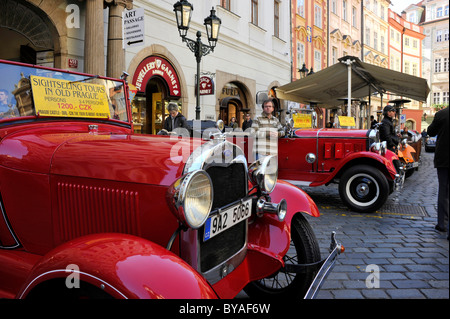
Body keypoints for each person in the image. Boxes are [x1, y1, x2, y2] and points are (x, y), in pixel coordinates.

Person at [427, 107, 449, 239]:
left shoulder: (441, 114)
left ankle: (442, 223)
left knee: (444, 190)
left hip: (443, 158)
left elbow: (430, 131)